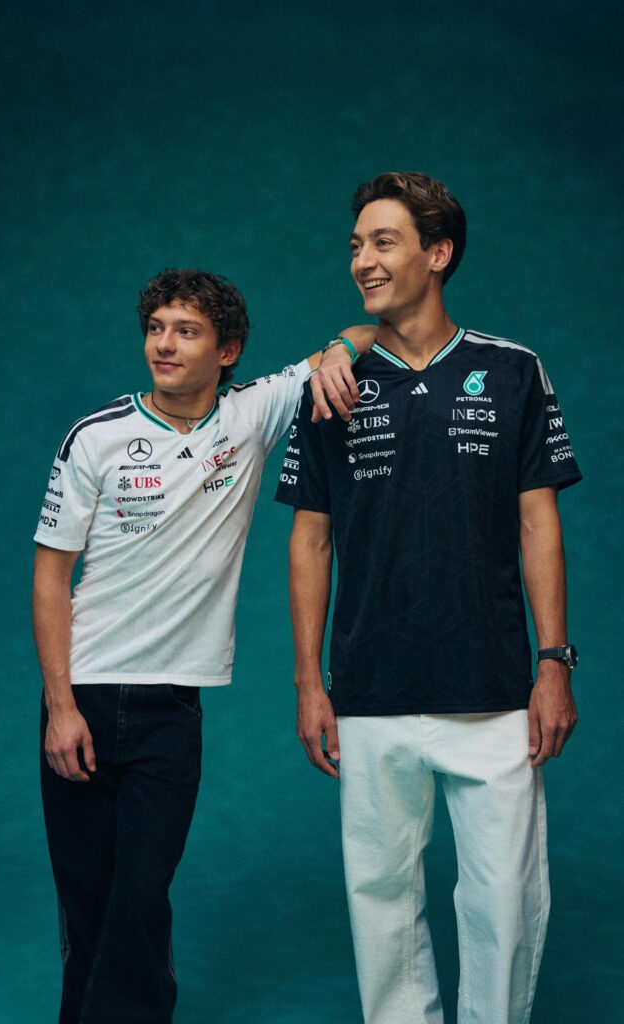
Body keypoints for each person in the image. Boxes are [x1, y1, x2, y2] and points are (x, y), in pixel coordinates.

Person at [276, 172, 581, 1024]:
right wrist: (308, 682)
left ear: (437, 253)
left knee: (503, 904)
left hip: (492, 687)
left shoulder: (511, 371)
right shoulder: (330, 385)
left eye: (383, 242)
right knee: (379, 905)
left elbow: (537, 523)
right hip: (369, 686)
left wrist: (552, 663)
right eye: (355, 246)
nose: (362, 261)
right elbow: (309, 541)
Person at [32, 267, 368, 1024]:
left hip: (172, 709)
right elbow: (50, 578)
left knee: (141, 895)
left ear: (227, 350)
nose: (164, 344)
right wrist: (60, 707)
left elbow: (368, 331)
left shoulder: (250, 415)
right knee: (88, 900)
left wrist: (338, 353)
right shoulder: (96, 437)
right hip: (85, 695)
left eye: (186, 331)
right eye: (156, 328)